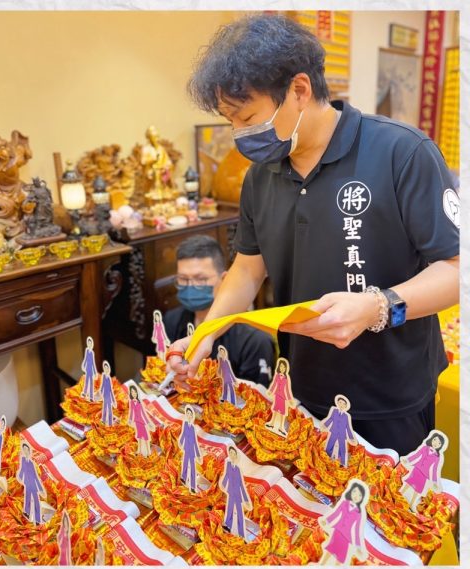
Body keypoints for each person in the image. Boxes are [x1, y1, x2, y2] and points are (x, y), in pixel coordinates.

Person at [171, 15, 458, 456]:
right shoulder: (260, 177)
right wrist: (209, 331)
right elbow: (247, 269)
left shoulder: (402, 152)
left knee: (391, 500)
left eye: (247, 117)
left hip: (392, 393)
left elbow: (455, 269)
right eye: (231, 121)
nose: (240, 135)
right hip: (303, 386)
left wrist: (377, 306)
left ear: (300, 90)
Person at [164, 235, 275, 386]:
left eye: (200, 279)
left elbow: (256, 395)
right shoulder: (172, 320)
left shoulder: (255, 341)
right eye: (183, 279)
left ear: (224, 280)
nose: (190, 286)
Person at [319, 480, 369, 564]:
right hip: (338, 531)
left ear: (362, 498)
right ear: (350, 491)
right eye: (355, 492)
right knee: (331, 548)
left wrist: (358, 546)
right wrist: (326, 521)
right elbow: (335, 514)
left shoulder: (359, 513)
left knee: (341, 556)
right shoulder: (344, 503)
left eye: (359, 495)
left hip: (347, 536)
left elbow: (357, 530)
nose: (356, 496)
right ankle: (322, 564)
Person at [400, 430, 447, 511]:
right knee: (409, 483)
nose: (436, 443)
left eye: (439, 443)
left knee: (417, 489)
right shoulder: (424, 448)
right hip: (417, 469)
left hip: (425, 475)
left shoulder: (437, 457)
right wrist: (407, 460)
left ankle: (412, 503)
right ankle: (401, 494)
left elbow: (434, 470)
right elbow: (416, 455)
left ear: (441, 445)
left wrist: (434, 482)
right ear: (431, 439)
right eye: (435, 440)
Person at [220, 446, 252, 538]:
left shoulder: (238, 469)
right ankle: (228, 525)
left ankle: (241, 533)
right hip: (230, 491)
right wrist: (223, 485)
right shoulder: (228, 465)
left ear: (236, 456)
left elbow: (241, 485)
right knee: (230, 509)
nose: (232, 455)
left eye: (234, 453)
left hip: (238, 494)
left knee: (239, 513)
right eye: (230, 453)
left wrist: (246, 500)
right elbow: (226, 476)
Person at [324, 394, 356, 466]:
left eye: (344, 404)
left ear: (346, 406)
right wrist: (325, 425)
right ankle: (326, 458)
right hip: (333, 432)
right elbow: (330, 419)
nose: (341, 405)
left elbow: (348, 427)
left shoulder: (346, 416)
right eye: (340, 402)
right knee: (329, 446)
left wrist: (351, 437)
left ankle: (342, 463)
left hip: (342, 434)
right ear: (337, 403)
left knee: (342, 449)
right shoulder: (334, 411)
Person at [16, 440, 45, 523]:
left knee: (36, 501)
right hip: (27, 483)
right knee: (28, 500)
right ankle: (27, 513)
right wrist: (20, 479)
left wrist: (40, 489)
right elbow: (21, 471)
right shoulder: (23, 460)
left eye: (27, 450)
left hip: (33, 485)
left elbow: (35, 477)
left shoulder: (31, 463)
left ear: (29, 451)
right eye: (24, 450)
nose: (26, 451)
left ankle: (38, 519)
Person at [179, 405, 201, 493]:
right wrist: (181, 442)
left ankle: (192, 485)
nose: (188, 415)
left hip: (192, 450)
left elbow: (195, 442)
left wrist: (198, 454)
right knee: (184, 463)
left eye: (190, 414)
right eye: (187, 413)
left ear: (192, 416)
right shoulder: (185, 424)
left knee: (192, 467)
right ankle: (184, 478)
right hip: (186, 448)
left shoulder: (192, 428)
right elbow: (183, 434)